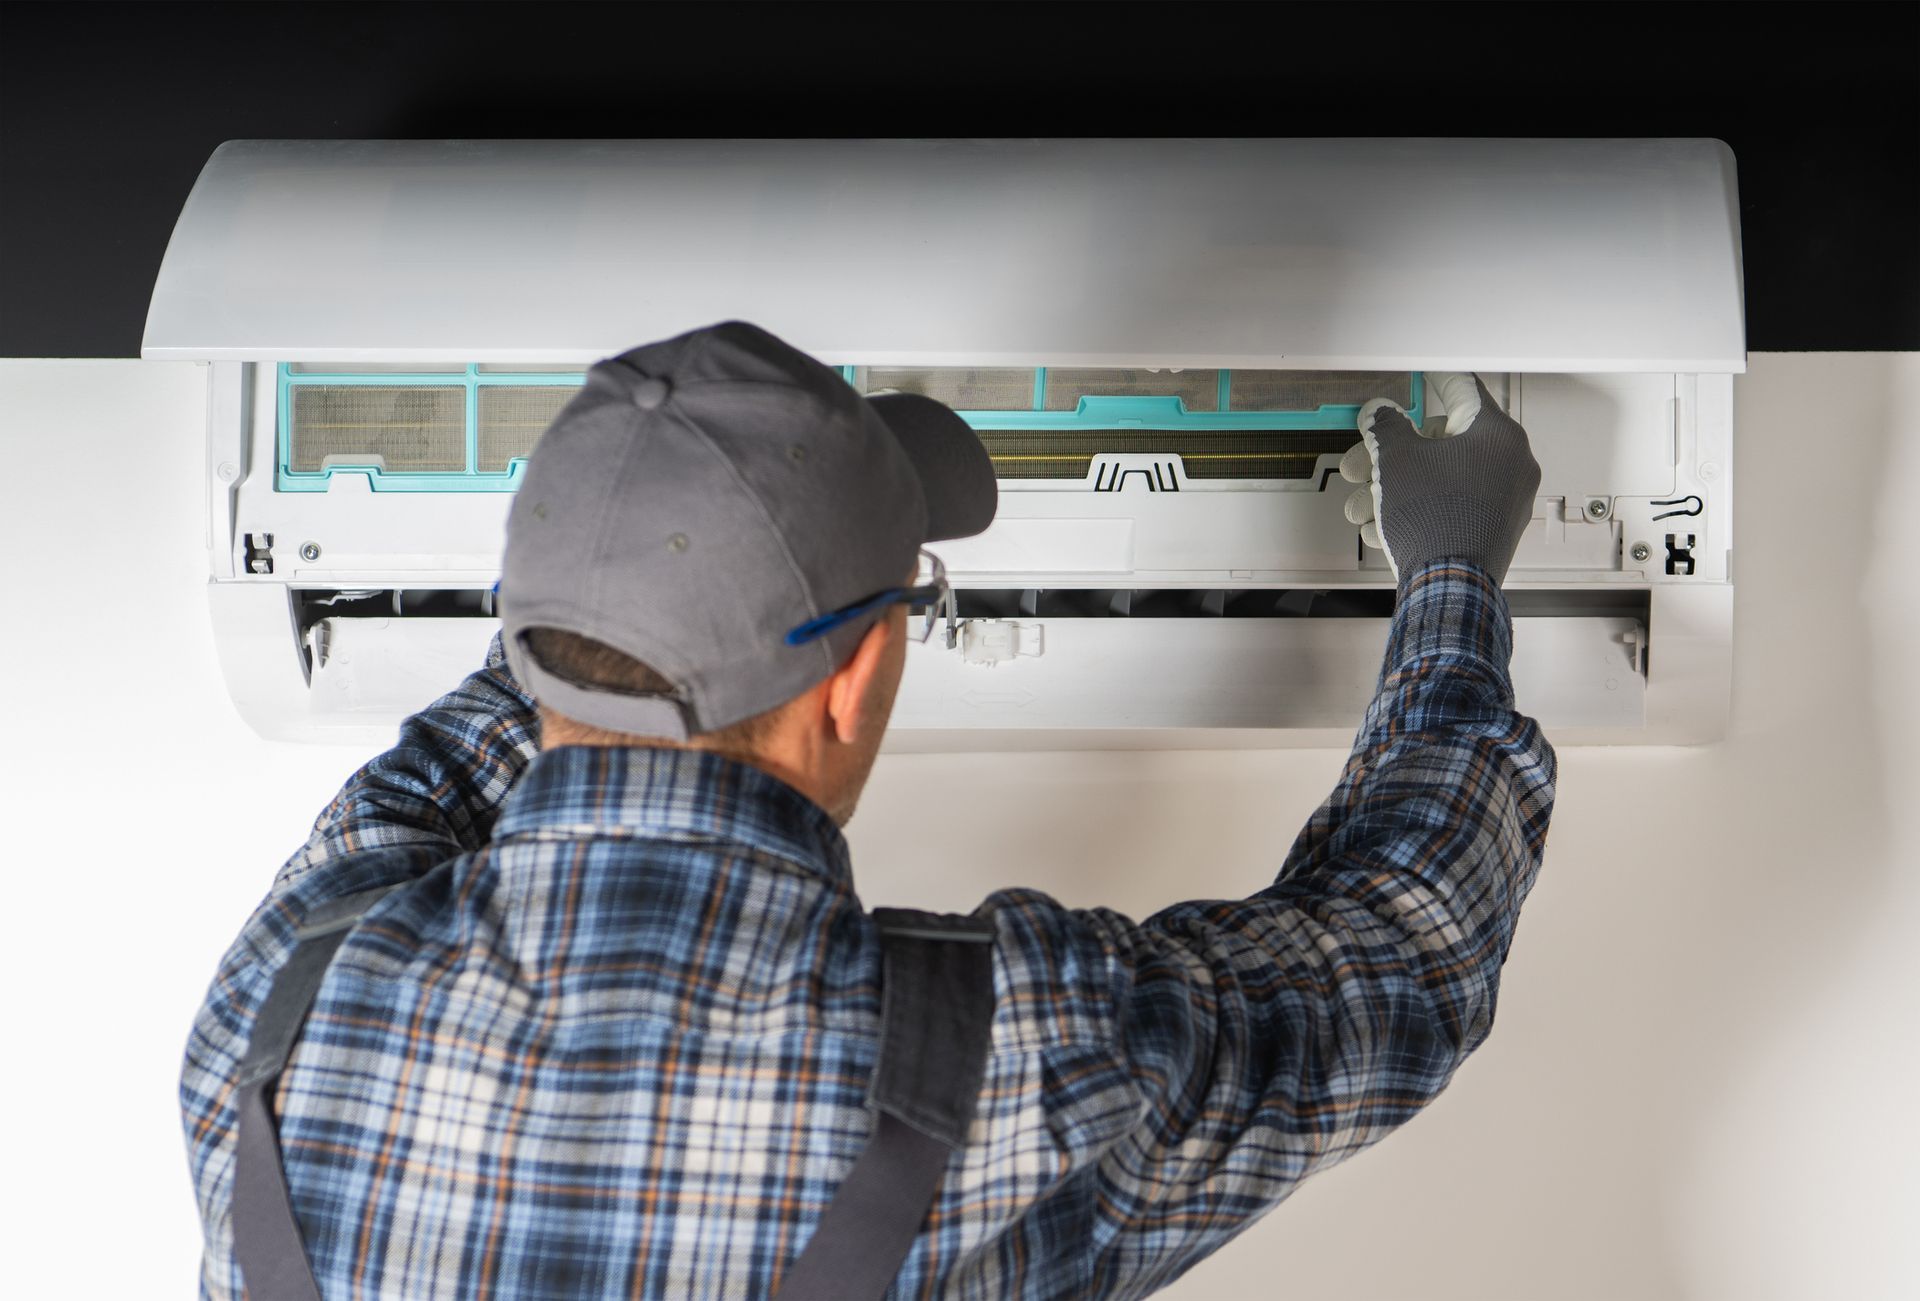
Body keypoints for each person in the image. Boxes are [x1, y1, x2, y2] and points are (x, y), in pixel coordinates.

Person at [182, 321, 1553, 1299]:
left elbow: (456, 761)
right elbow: (1406, 947)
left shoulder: (280, 1003)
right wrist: (1451, 574)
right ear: (860, 677)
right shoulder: (1016, 1058)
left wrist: (679, 542)